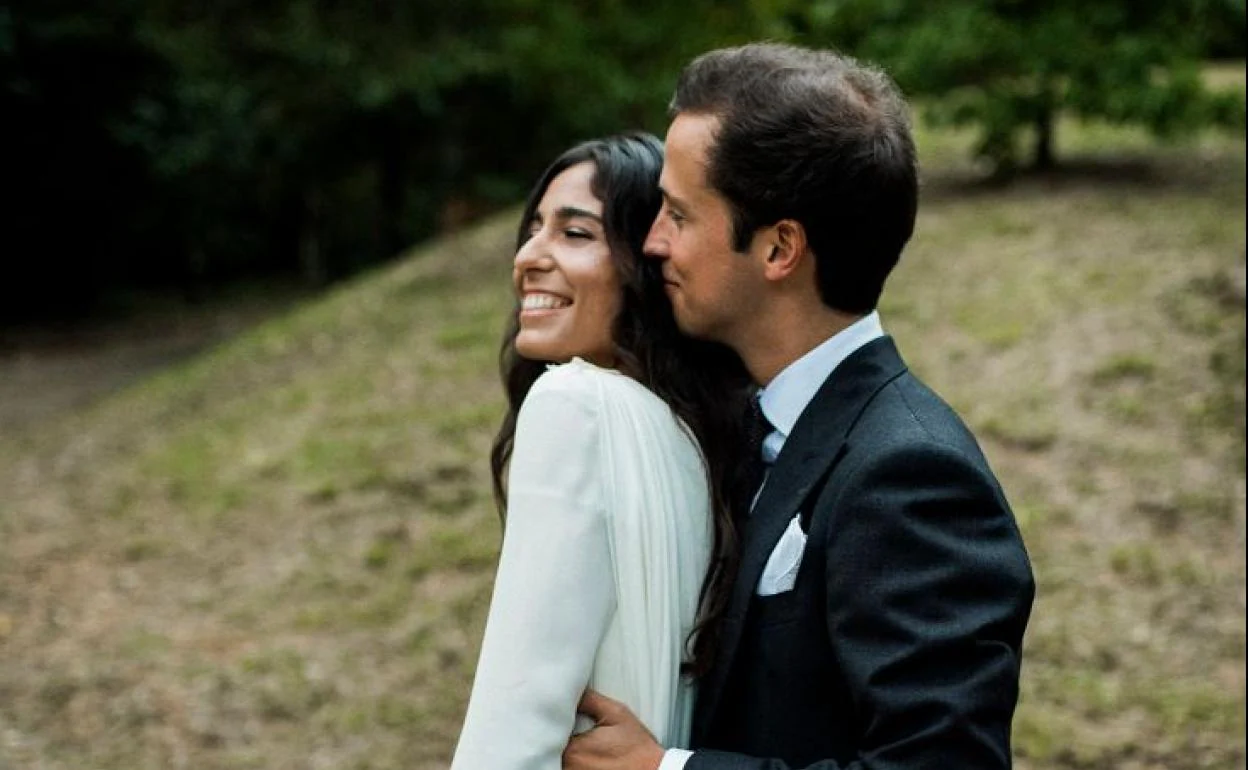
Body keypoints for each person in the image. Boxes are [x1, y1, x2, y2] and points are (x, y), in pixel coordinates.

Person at [563, 43, 1036, 770]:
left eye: (680, 215)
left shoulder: (912, 476)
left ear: (780, 248)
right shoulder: (737, 426)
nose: (653, 241)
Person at [450, 133, 751, 769]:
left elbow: (519, 709)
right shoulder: (700, 441)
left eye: (575, 234)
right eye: (533, 229)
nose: (529, 256)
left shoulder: (574, 407)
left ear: (649, 265)